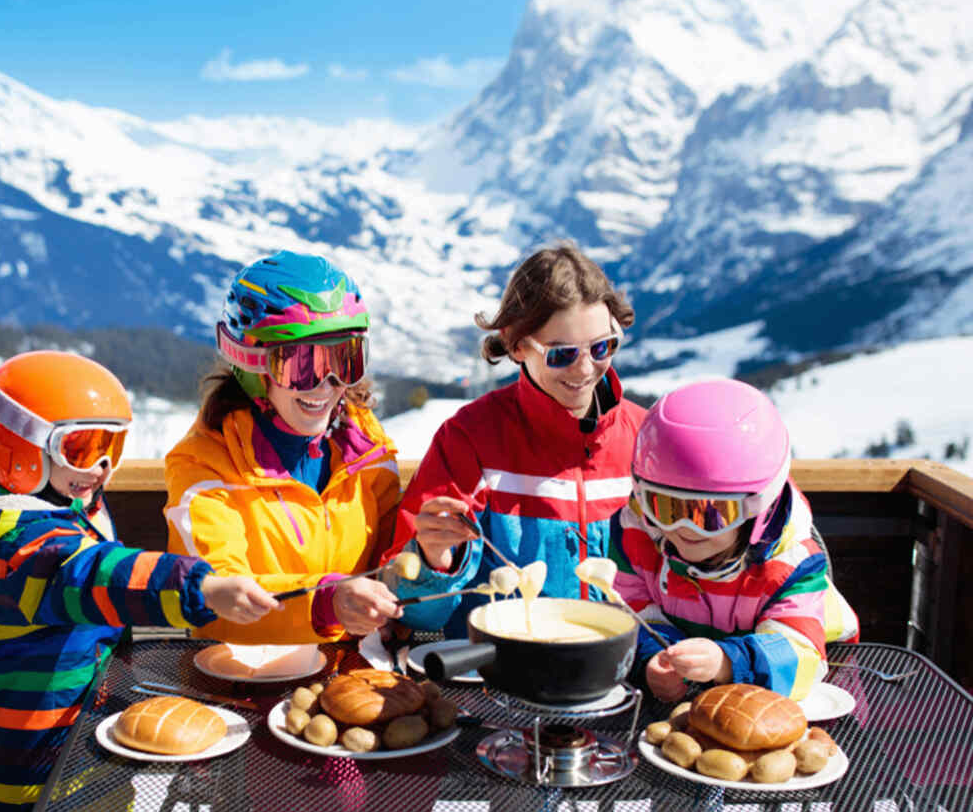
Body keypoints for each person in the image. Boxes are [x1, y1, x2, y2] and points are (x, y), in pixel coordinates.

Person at [0, 350, 275, 812]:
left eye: (113, 445)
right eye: (82, 448)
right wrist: (201, 585)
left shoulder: (63, 513)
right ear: (20, 447)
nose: (103, 467)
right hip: (42, 783)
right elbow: (96, 576)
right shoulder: (22, 548)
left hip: (82, 751)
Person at [386, 243, 646, 638]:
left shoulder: (647, 441)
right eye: (562, 355)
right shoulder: (470, 439)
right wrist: (433, 559)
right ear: (516, 345)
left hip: (619, 669)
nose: (586, 367)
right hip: (500, 671)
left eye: (601, 347)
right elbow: (415, 615)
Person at [164, 250, 403, 645]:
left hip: (350, 672)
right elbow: (217, 593)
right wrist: (324, 602)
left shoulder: (364, 446)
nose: (325, 384)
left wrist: (430, 554)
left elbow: (392, 551)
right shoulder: (205, 464)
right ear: (254, 366)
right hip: (244, 677)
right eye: (302, 365)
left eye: (344, 360)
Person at [607, 378, 861, 702]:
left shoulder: (791, 564)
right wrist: (655, 656)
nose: (686, 528)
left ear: (758, 507)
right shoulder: (636, 536)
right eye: (666, 507)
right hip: (692, 703)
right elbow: (628, 609)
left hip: (805, 697)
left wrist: (727, 661)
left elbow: (801, 653)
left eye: (710, 515)